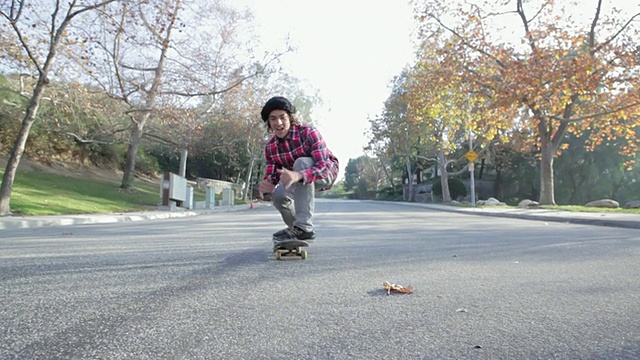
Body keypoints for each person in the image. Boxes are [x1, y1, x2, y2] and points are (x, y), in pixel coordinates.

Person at [257, 96, 339, 242]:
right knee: (279, 196)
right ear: (269, 123)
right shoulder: (270, 147)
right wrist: (268, 184)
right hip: (297, 178)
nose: (279, 123)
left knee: (301, 162)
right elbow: (273, 175)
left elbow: (324, 167)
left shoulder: (308, 132)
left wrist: (299, 175)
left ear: (290, 118)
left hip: (325, 175)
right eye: (273, 119)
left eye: (282, 117)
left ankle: (304, 226)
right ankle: (298, 230)